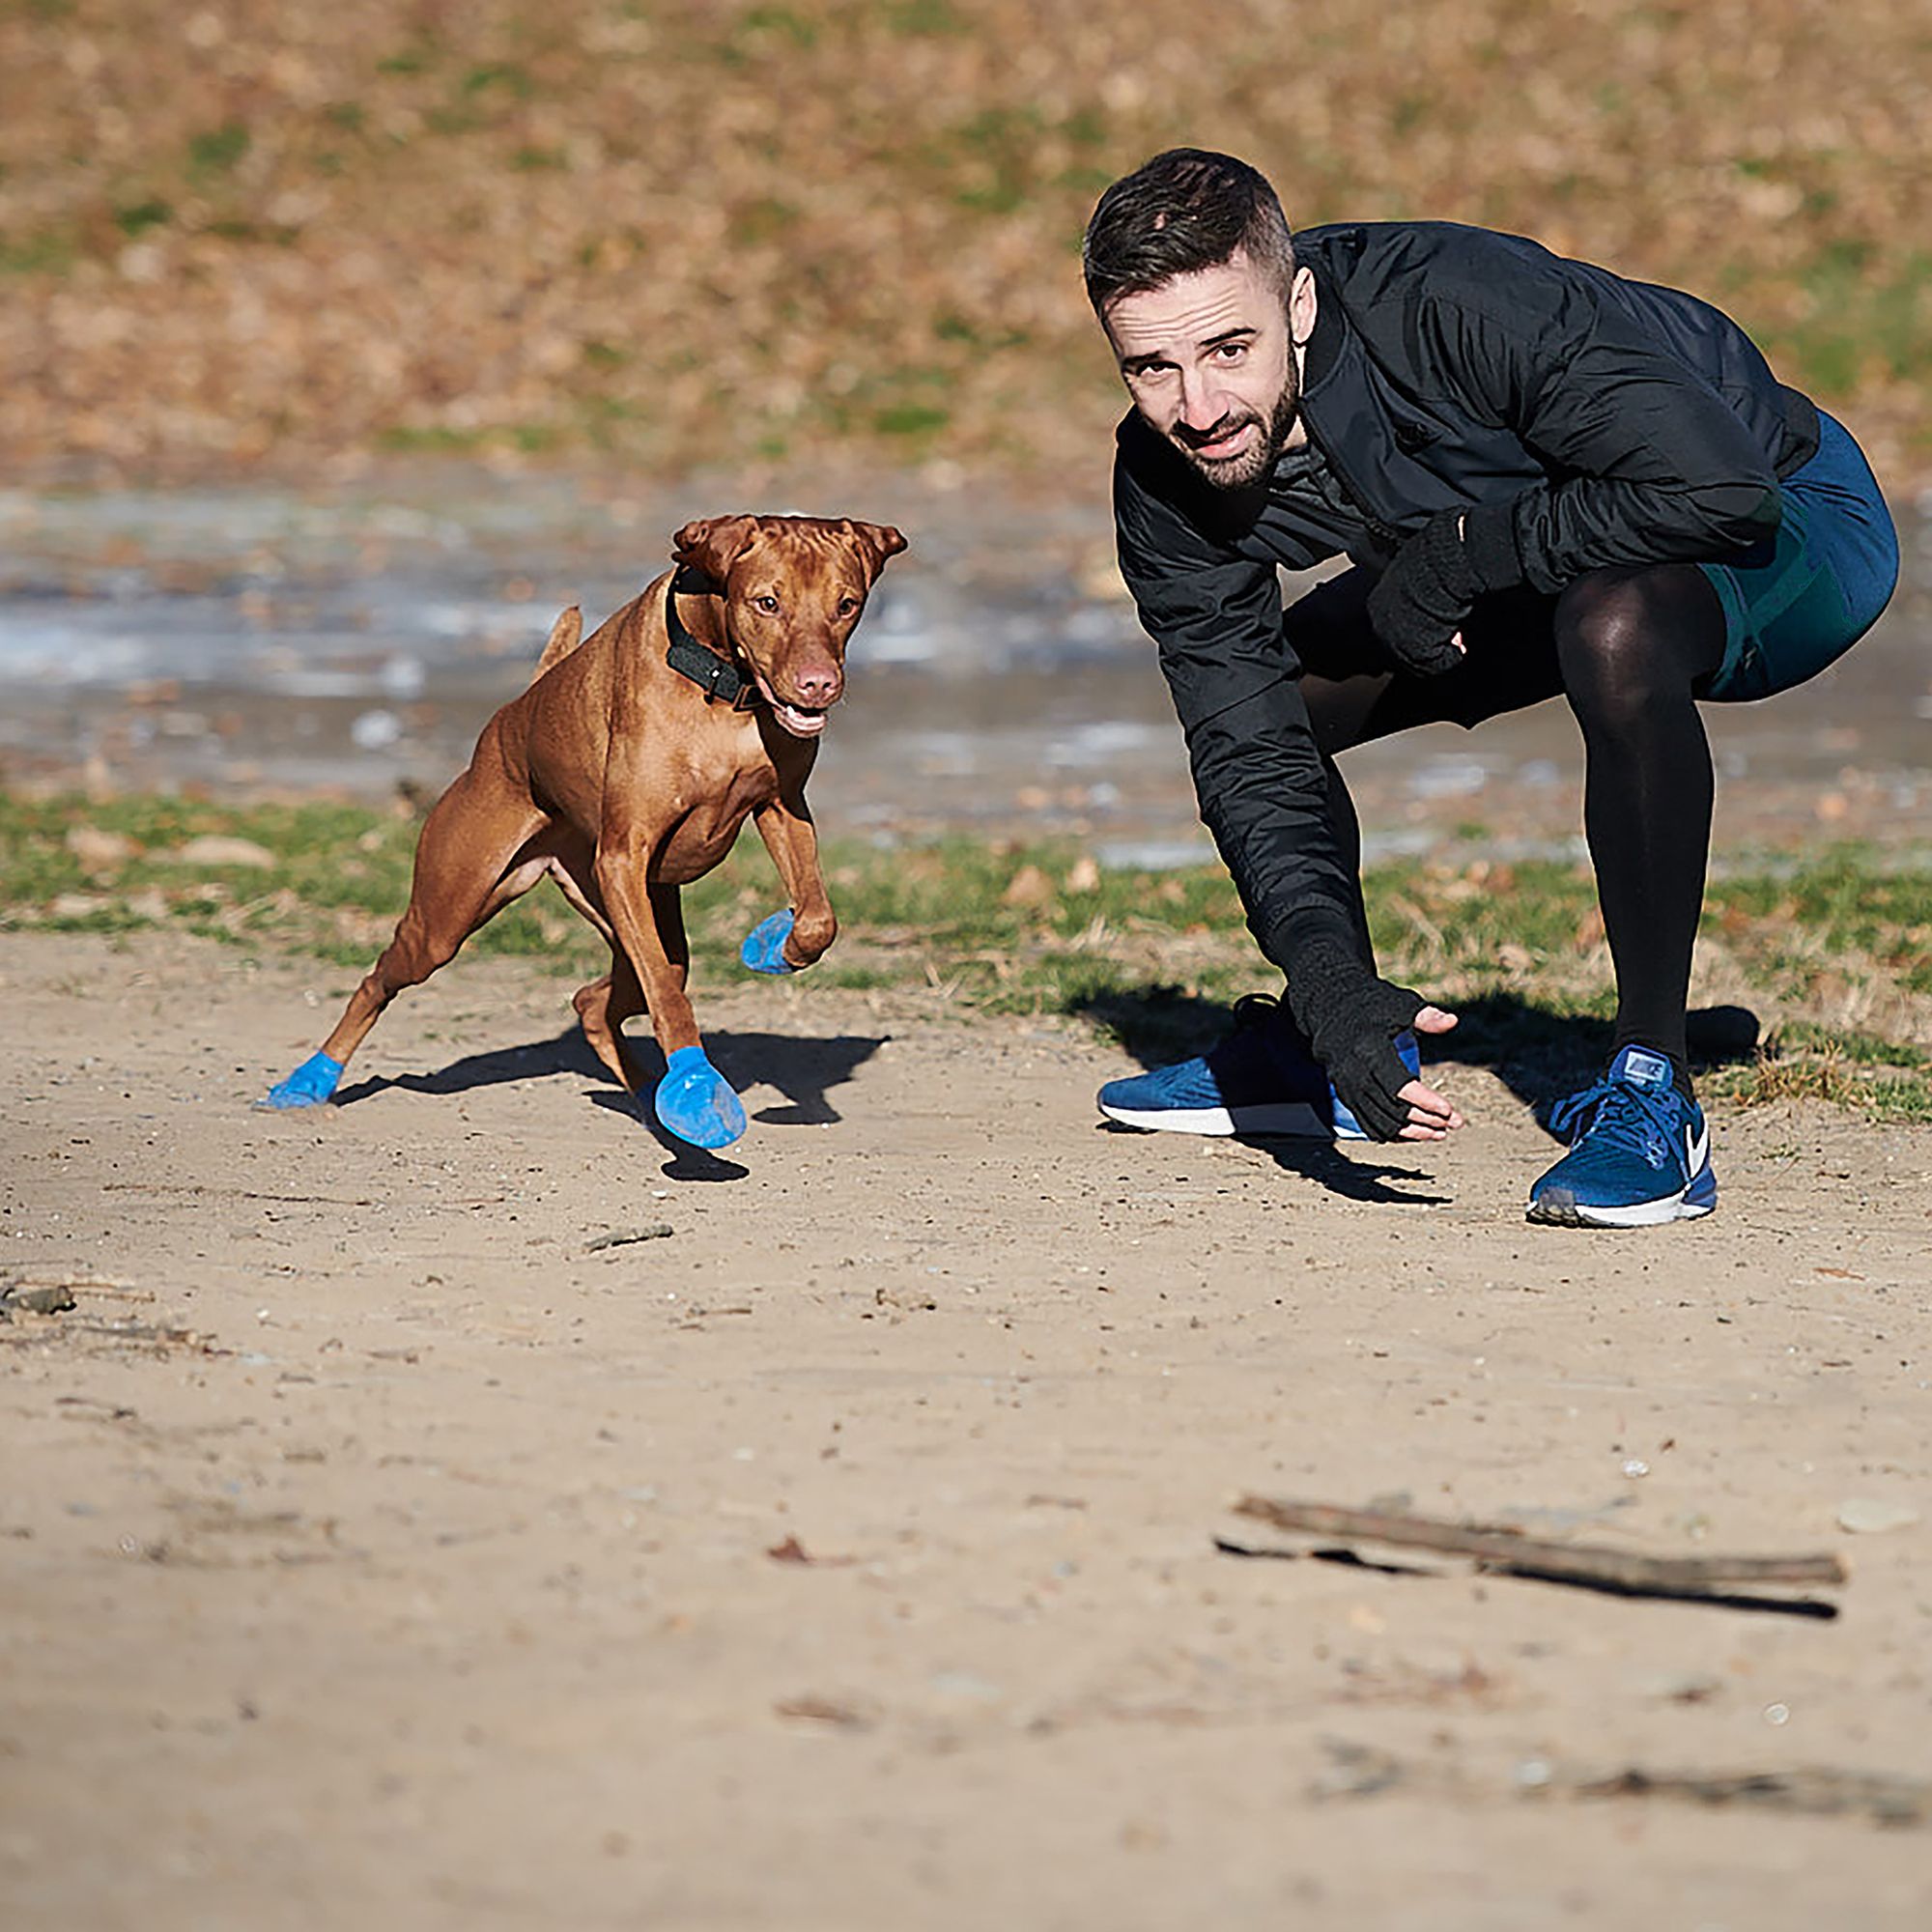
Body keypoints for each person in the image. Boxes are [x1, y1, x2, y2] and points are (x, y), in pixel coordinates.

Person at [1082, 149, 1898, 1227]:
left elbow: (1718, 490)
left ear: (1297, 301)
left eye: (1228, 348)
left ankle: (1655, 1089)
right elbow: (1241, 738)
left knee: (1610, 628)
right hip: (1536, 553)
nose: (1196, 406)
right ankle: (1329, 1046)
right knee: (1287, 700)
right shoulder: (1162, 478)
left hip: (1778, 519)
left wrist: (1460, 556)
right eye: (1151, 367)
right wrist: (1323, 976)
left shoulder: (1456, 304)